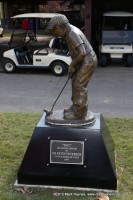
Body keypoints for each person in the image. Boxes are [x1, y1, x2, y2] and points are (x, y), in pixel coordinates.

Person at [47, 15, 97, 119]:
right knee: (74, 81)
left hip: (88, 60)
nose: (56, 35)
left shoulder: (71, 33)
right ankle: (75, 107)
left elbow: (82, 53)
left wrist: (72, 65)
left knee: (79, 85)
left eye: (56, 32)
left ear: (61, 28)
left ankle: (80, 112)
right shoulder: (69, 31)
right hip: (82, 60)